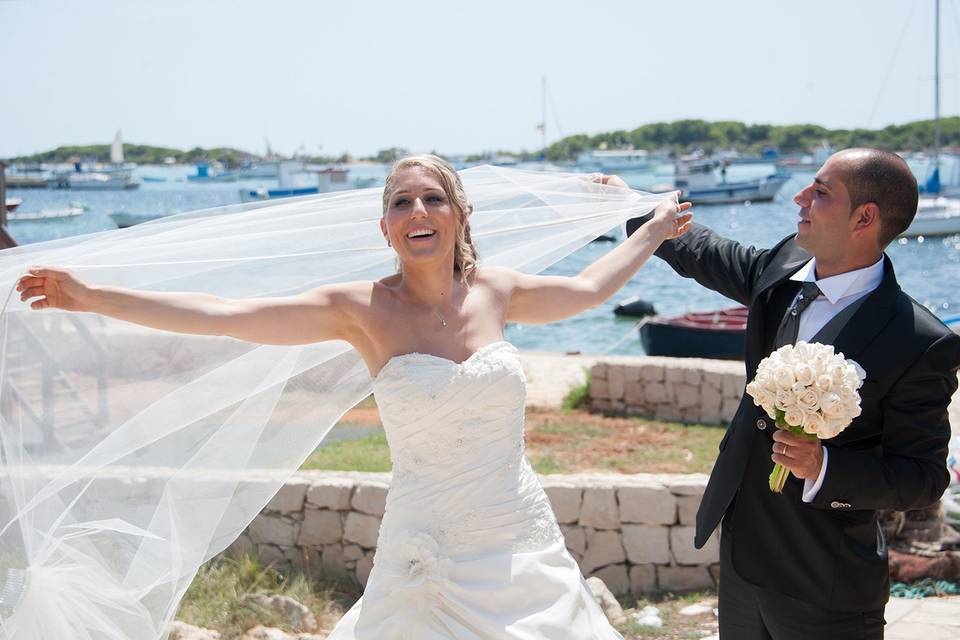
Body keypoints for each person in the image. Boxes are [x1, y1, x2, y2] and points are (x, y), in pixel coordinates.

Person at [17, 154, 692, 639]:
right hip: (424, 554)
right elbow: (224, 313)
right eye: (401, 202)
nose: (417, 211)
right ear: (385, 229)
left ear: (459, 215)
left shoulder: (500, 290)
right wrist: (90, 295)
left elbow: (591, 290)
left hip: (521, 546)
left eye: (432, 197)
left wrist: (653, 227)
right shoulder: (358, 309)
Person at [626, 148, 960, 639]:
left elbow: (923, 478)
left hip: (825, 580)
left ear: (865, 217)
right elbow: (705, 252)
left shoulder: (919, 341)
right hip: (743, 559)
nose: (800, 197)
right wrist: (628, 204)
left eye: (821, 192)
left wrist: (823, 468)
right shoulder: (785, 266)